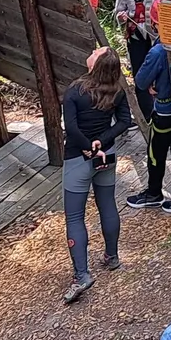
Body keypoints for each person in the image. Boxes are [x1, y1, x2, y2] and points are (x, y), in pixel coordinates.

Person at [60, 45, 133, 304]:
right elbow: (125, 122)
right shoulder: (117, 91)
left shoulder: (75, 91)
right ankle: (111, 257)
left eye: (95, 51)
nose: (90, 51)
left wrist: (88, 147)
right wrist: (102, 142)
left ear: (96, 64)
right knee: (107, 205)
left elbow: (71, 127)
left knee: (75, 216)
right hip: (107, 156)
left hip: (78, 158)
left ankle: (81, 274)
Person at [128, 38, 171, 215]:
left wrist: (153, 82)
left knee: (155, 153)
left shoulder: (159, 51)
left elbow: (141, 81)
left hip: (165, 110)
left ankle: (153, 193)